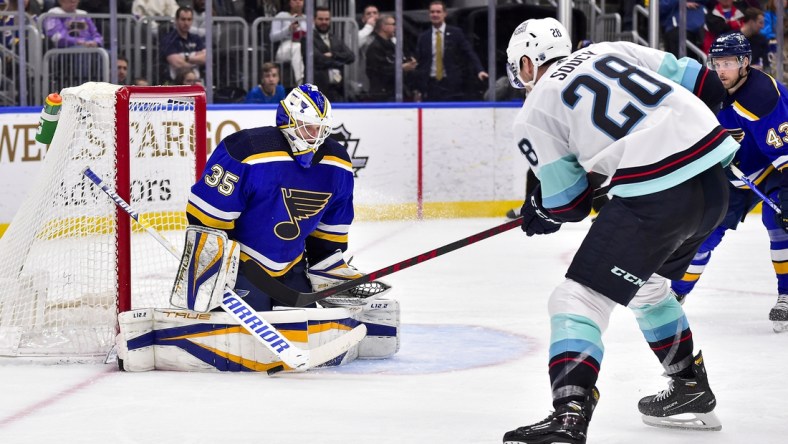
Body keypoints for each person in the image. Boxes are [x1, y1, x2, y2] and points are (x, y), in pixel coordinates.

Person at [501, 17, 738, 443]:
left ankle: (569, 415)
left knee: (576, 298)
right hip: (714, 185)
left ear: (526, 62)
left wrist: (541, 208)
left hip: (657, 198)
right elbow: (708, 85)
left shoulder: (534, 108)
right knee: (648, 288)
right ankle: (689, 389)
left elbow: (570, 204)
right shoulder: (612, 50)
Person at [185, 84, 354, 313]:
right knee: (244, 335)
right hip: (241, 267)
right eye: (308, 128)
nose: (315, 137)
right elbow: (207, 220)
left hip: (292, 268)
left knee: (306, 326)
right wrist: (214, 273)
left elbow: (329, 231)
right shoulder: (246, 151)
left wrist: (327, 268)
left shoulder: (337, 164)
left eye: (320, 129)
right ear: (290, 122)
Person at [670, 32, 788, 332]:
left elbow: (784, 153)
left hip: (774, 167)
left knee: (777, 222)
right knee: (704, 231)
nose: (721, 69)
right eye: (716, 62)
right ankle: (676, 296)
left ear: (745, 62)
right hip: (735, 170)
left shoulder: (761, 96)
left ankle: (786, 295)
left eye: (728, 63)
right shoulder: (709, 90)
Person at [413, 0, 487, 102]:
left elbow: (469, 53)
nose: (435, 14)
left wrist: (480, 70)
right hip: (430, 84)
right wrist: (417, 87)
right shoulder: (423, 37)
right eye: (432, 12)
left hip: (451, 84)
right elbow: (420, 62)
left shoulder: (456, 33)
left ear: (445, 14)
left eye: (438, 12)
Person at [303, 6, 355, 102]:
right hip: (316, 92)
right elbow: (319, 60)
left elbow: (351, 56)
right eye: (321, 19)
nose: (324, 22)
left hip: (337, 91)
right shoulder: (307, 39)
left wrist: (333, 55)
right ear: (314, 20)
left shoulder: (335, 38)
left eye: (327, 19)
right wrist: (340, 61)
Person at [365, 14, 417, 102]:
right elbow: (380, 70)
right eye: (393, 24)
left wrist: (408, 62)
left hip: (394, 91)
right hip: (382, 95)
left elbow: (395, 61)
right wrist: (402, 68)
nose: (395, 27)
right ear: (383, 27)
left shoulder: (392, 45)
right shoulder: (375, 47)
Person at [160, 6, 206, 82]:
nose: (186, 23)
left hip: (196, 81)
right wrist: (194, 61)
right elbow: (177, 63)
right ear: (176, 20)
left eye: (189, 19)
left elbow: (205, 58)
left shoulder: (196, 38)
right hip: (174, 83)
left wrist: (185, 58)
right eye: (183, 19)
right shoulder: (168, 39)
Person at [270, 0, 306, 86]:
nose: (298, 2)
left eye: (300, 0)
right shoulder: (281, 16)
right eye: (294, 0)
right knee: (298, 47)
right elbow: (272, 37)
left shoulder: (307, 18)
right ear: (289, 2)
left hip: (305, 46)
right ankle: (300, 82)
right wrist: (288, 29)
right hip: (284, 47)